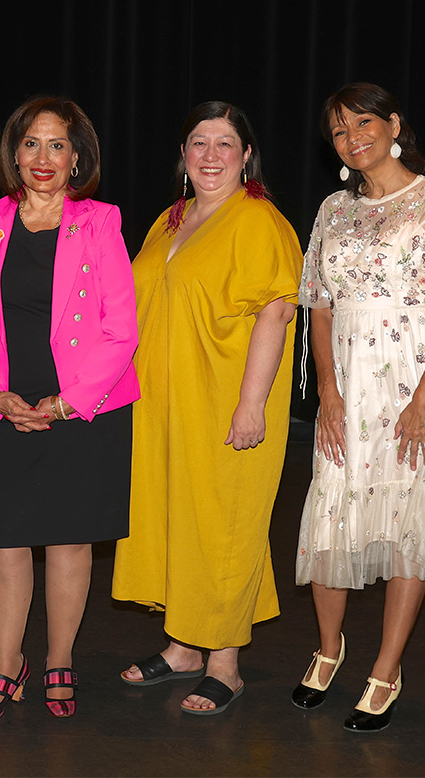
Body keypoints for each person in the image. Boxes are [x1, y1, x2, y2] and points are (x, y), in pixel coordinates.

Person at [291, 82, 425, 732]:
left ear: (393, 122)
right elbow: (317, 304)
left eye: (364, 122)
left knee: (407, 523)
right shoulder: (331, 210)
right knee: (330, 512)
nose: (353, 138)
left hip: (418, 381)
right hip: (348, 380)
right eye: (340, 132)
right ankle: (327, 648)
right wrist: (327, 390)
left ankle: (386, 668)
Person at [0, 97, 138, 723]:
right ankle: (7, 667)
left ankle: (59, 660)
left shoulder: (101, 221)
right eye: (31, 143)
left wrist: (63, 404)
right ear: (14, 154)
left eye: (57, 145)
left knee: (68, 543)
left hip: (82, 406)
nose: (43, 157)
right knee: (5, 543)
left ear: (77, 156)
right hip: (3, 406)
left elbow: (120, 330)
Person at [111, 102, 303, 716]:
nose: (212, 155)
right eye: (200, 142)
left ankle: (225, 662)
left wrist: (251, 405)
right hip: (166, 405)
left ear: (247, 155)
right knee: (176, 519)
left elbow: (275, 311)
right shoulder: (170, 220)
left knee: (225, 525)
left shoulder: (259, 222)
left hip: (225, 402)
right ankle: (182, 647)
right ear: (184, 155)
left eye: (226, 143)